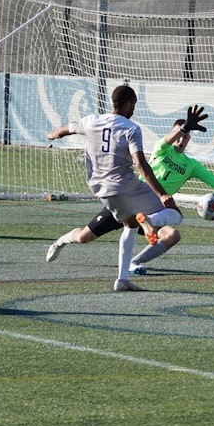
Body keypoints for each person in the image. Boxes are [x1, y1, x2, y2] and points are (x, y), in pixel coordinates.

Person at [52, 107, 214, 276]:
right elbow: (166, 142)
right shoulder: (160, 149)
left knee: (172, 235)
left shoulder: (191, 165)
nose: (182, 139)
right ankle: (61, 241)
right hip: (128, 199)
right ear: (172, 134)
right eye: (179, 134)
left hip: (152, 212)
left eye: (186, 135)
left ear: (190, 139)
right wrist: (181, 128)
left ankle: (134, 263)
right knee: (83, 238)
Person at [43, 84, 182, 292]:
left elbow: (65, 129)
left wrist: (52, 135)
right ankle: (149, 221)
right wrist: (161, 193)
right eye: (134, 104)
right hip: (128, 187)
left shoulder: (91, 121)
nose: (134, 109)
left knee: (129, 225)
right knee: (175, 214)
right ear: (127, 104)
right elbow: (140, 164)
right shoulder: (131, 128)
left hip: (103, 191)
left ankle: (122, 279)